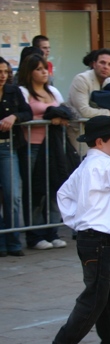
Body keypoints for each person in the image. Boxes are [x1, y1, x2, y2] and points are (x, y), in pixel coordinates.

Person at [50, 116, 110, 344]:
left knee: (108, 292)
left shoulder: (88, 166)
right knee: (96, 294)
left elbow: (64, 194)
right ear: (101, 141)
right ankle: (64, 342)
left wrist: (77, 220)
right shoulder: (101, 165)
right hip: (98, 237)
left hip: (93, 236)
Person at [17, 54, 67, 251]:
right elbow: (25, 114)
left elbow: (65, 110)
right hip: (32, 146)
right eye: (38, 69)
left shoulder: (52, 90)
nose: (44, 72)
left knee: (54, 186)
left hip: (53, 146)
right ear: (29, 72)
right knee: (35, 190)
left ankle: (52, 231)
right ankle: (35, 235)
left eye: (45, 68)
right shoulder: (23, 92)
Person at [0, 57, 33, 257]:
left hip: (8, 148)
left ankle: (13, 240)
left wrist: (14, 116)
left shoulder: (14, 91)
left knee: (13, 195)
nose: (2, 76)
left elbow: (27, 112)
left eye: (5, 71)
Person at [68, 48, 110, 149]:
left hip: (102, 136)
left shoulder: (109, 82)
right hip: (80, 133)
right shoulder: (81, 79)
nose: (105, 67)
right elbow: (84, 111)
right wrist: (109, 114)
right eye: (102, 63)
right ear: (94, 64)